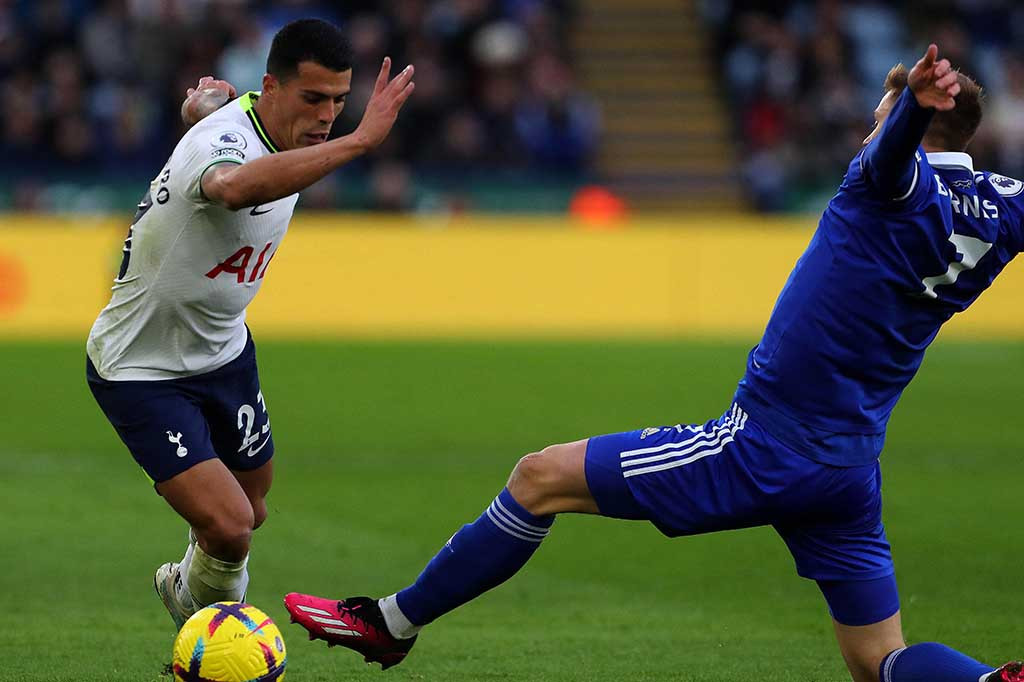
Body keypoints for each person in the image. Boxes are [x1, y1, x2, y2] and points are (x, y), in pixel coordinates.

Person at [284, 44, 1023, 682]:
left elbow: (896, 161)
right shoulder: (999, 207)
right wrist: (915, 119)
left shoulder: (892, 183)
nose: (868, 129)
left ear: (908, 122)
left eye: (879, 115)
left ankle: (391, 624)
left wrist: (907, 115)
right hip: (849, 467)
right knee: (877, 662)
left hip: (765, 447)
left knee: (539, 479)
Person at [85, 18, 415, 630]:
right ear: (271, 86)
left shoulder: (259, 124)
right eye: (313, 98)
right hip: (140, 365)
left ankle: (191, 581)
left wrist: (206, 105)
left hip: (224, 352)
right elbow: (231, 184)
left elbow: (236, 121)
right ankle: (214, 630)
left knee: (253, 506)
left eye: (340, 102)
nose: (326, 117)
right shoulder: (224, 141)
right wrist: (358, 141)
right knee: (231, 526)